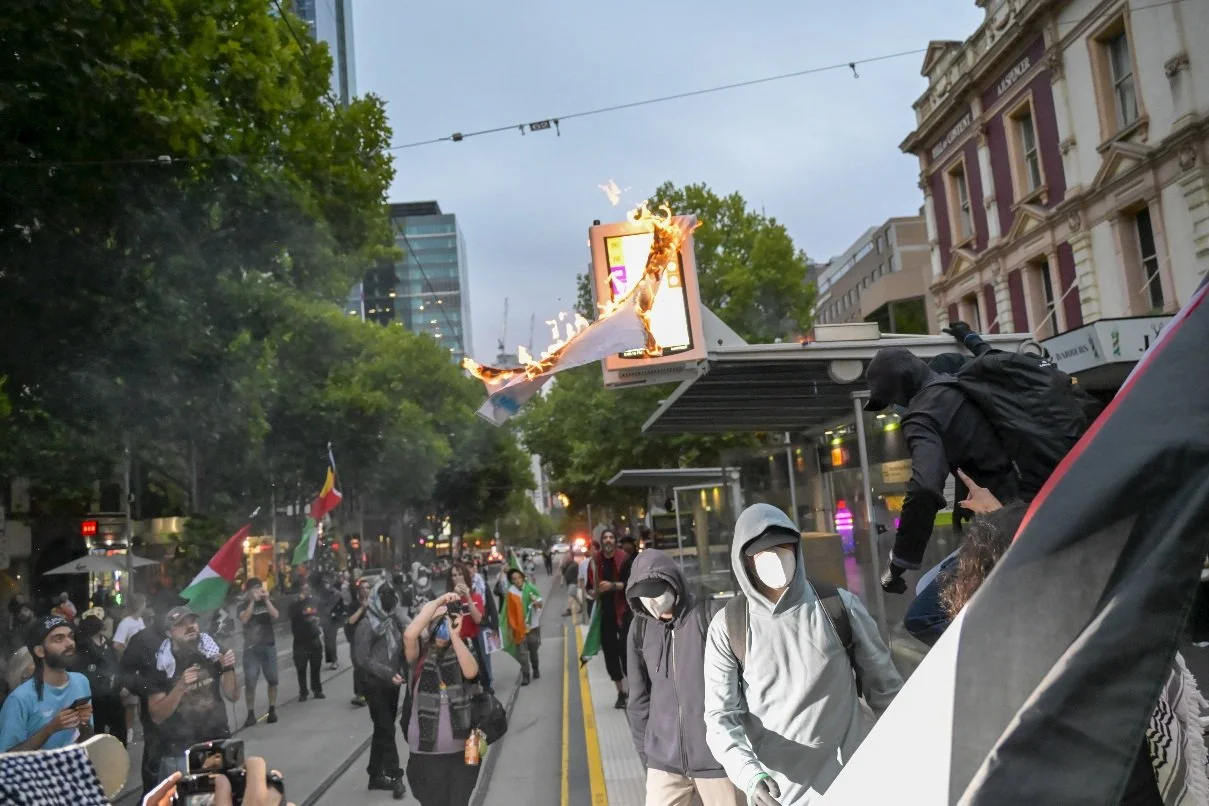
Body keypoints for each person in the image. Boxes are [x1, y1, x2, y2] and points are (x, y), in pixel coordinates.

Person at [703, 504, 904, 806]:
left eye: (783, 546)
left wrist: (906, 750)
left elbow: (886, 689)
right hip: (780, 795)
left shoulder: (838, 606)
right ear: (744, 560)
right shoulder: (728, 627)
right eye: (763, 552)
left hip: (855, 784)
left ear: (796, 548)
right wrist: (749, 776)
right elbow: (719, 717)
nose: (776, 557)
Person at [626, 549, 743, 806]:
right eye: (644, 595)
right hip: (663, 763)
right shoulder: (640, 629)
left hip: (718, 762)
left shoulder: (708, 617)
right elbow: (637, 700)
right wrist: (648, 755)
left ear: (674, 584)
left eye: (656, 592)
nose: (652, 601)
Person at [402, 591, 481, 806]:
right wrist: (438, 602)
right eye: (437, 623)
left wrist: (455, 635)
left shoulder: (461, 651)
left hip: (460, 755)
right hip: (425, 756)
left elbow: (471, 672)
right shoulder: (418, 657)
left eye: (446, 623)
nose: (442, 629)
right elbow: (409, 635)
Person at [146, 606, 238, 779]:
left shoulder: (211, 651)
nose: (190, 627)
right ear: (169, 633)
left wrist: (228, 667)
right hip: (180, 750)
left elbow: (232, 695)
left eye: (193, 621)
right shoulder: (160, 664)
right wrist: (180, 686)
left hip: (217, 741)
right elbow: (157, 716)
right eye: (181, 624)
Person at [0, 615, 94, 751]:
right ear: (40, 651)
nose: (70, 643)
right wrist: (50, 728)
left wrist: (84, 724)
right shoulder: (20, 698)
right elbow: (7, 757)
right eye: (59, 639)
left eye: (70, 636)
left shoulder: (81, 681)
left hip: (74, 763)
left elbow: (88, 741)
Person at [352, 578, 408, 798]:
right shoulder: (367, 624)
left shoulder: (392, 620)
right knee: (387, 729)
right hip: (374, 685)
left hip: (392, 685)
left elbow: (400, 648)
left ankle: (375, 774)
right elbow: (362, 659)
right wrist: (387, 672)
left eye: (391, 594)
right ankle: (396, 776)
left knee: (383, 729)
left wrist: (402, 670)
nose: (389, 599)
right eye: (384, 595)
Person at [589, 529, 631, 708]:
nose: (608, 540)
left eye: (611, 537)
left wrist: (613, 586)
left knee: (627, 653)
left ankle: (635, 691)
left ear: (615, 541)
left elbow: (631, 584)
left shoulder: (624, 559)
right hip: (605, 613)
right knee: (610, 655)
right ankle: (621, 693)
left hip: (624, 611)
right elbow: (591, 586)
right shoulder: (596, 560)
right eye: (605, 538)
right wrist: (593, 592)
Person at [71, 613, 126, 745]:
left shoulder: (106, 644)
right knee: (96, 731)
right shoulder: (82, 647)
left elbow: (115, 665)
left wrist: (119, 684)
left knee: (119, 730)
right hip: (93, 697)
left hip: (111, 694)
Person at [239, 577, 279, 727]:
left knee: (272, 679)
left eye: (259, 588)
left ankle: (272, 709)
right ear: (249, 591)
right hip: (251, 648)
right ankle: (250, 713)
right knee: (250, 681)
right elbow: (244, 619)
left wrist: (266, 600)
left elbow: (275, 615)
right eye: (255, 589)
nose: (258, 591)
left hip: (268, 646)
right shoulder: (242, 605)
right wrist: (252, 602)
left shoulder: (267, 601)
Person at [288, 580, 325, 702]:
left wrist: (318, 620)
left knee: (316, 666)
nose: (305, 591)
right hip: (300, 640)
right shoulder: (294, 603)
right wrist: (299, 601)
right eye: (303, 589)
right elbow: (290, 615)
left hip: (314, 638)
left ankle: (317, 689)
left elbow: (323, 614)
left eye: (307, 589)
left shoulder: (315, 600)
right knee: (301, 667)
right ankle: (303, 691)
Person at [505, 567, 542, 686]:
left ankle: (535, 668)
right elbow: (510, 612)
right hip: (519, 628)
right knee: (522, 654)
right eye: (514, 579)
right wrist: (511, 628)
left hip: (532, 626)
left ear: (522, 578)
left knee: (533, 650)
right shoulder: (511, 593)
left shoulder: (530, 588)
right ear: (512, 581)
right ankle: (526, 675)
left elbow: (540, 603)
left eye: (519, 578)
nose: (517, 580)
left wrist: (536, 602)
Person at [345, 579, 369, 707]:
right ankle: (360, 694)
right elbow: (351, 621)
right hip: (356, 641)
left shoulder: (375, 603)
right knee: (358, 668)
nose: (365, 590)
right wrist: (362, 608)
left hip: (370, 640)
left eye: (367, 588)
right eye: (363, 588)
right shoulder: (353, 605)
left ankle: (370, 693)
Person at [560, 553, 580, 617]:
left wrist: (579, 582)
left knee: (570, 596)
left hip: (573, 582)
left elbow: (578, 573)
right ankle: (581, 606)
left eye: (568, 557)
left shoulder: (575, 564)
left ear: (571, 557)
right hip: (568, 583)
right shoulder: (566, 565)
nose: (566, 558)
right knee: (574, 596)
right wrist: (561, 582)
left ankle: (569, 610)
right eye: (566, 557)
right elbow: (563, 573)